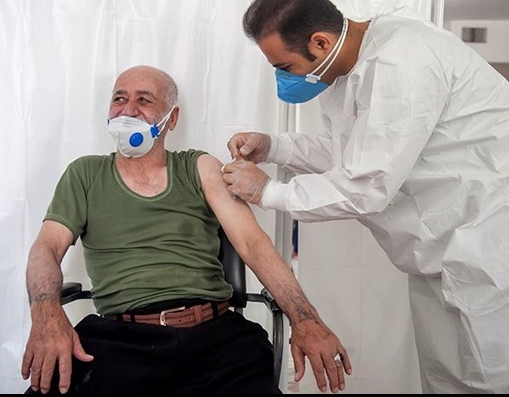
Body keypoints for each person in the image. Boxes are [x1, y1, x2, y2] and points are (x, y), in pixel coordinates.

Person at [222, 0, 509, 394]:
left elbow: (364, 185)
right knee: (446, 381)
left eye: (286, 66)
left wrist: (267, 193)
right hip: (441, 252)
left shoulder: (401, 61)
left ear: (320, 41)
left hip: (491, 245)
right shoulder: (349, 71)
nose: (284, 77)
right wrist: (276, 146)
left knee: (492, 382)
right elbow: (351, 153)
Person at [20, 65, 352, 395]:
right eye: (119, 99)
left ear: (172, 118)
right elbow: (46, 248)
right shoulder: (84, 175)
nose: (128, 110)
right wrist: (46, 312)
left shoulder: (200, 167)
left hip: (216, 340)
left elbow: (253, 244)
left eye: (144, 100)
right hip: (122, 342)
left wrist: (304, 317)